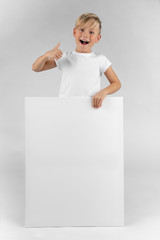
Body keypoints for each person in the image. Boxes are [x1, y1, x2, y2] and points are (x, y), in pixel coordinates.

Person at [32, 13, 121, 108]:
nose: (85, 35)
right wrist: (46, 56)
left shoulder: (100, 59)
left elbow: (116, 83)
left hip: (90, 108)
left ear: (98, 38)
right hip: (66, 108)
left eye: (91, 32)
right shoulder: (64, 57)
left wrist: (104, 92)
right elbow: (36, 68)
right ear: (74, 32)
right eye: (82, 30)